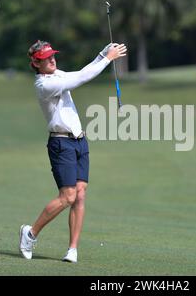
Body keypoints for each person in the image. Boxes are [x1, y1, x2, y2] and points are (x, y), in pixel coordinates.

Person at [19, 40, 127, 262]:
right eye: (46, 58)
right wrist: (108, 59)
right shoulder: (43, 85)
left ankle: (72, 249)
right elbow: (80, 79)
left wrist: (102, 53)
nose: (51, 59)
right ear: (36, 63)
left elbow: (82, 72)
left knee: (80, 194)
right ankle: (30, 234)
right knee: (67, 196)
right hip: (61, 144)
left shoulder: (57, 75)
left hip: (79, 141)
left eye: (52, 55)